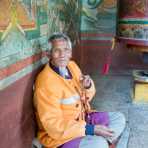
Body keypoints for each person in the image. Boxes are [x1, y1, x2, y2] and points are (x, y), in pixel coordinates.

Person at [33, 33, 126, 148]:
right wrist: (90, 129)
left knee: (118, 118)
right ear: (49, 54)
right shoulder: (45, 82)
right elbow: (53, 125)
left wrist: (87, 86)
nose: (62, 55)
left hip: (83, 119)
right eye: (57, 50)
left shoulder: (72, 66)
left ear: (70, 53)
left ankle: (97, 141)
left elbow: (87, 97)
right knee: (99, 144)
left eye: (66, 50)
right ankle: (100, 141)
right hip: (60, 137)